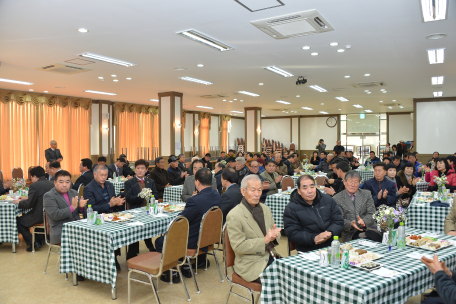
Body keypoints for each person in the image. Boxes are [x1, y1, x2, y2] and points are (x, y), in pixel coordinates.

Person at [156, 168, 221, 282]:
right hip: (208, 238)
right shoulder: (217, 195)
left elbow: (181, 221)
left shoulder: (195, 200)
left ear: (197, 182)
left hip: (193, 240)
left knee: (161, 241)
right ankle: (184, 265)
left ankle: (171, 273)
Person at [226, 175, 281, 283]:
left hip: (270, 256)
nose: (257, 194)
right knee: (282, 282)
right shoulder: (234, 215)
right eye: (253, 190)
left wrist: (274, 236)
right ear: (243, 191)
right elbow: (239, 246)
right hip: (250, 264)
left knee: (295, 275)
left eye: (259, 190)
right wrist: (265, 240)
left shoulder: (265, 209)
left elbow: (273, 234)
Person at [283, 175, 344, 252]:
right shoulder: (291, 208)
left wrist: (329, 232)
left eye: (312, 187)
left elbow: (339, 221)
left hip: (331, 246)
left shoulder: (328, 200)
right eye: (305, 188)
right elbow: (292, 233)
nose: (310, 191)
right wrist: (314, 238)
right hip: (307, 249)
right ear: (298, 191)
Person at [83, 165, 125, 270]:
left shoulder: (110, 185)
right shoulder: (89, 188)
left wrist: (117, 202)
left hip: (111, 216)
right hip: (98, 219)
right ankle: (106, 260)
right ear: (94, 174)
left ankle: (114, 257)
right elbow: (91, 208)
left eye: (105, 175)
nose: (104, 177)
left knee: (118, 232)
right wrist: (110, 205)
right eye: (101, 175)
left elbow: (113, 200)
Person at [13, 166, 54, 251]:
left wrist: (19, 202)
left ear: (35, 176)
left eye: (31, 177)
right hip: (49, 215)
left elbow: (29, 204)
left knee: (18, 221)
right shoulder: (51, 183)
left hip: (39, 216)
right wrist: (27, 198)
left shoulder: (34, 186)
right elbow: (40, 198)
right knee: (26, 217)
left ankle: (32, 243)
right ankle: (41, 240)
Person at [124, 159, 158, 259]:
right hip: (135, 211)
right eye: (138, 168)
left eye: (142, 168)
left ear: (146, 170)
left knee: (149, 227)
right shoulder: (129, 182)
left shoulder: (150, 181)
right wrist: (141, 197)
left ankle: (151, 246)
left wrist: (150, 195)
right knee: (136, 231)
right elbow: (128, 198)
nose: (140, 170)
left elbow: (156, 194)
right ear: (134, 169)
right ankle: (132, 253)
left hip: (149, 211)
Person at [43, 170, 87, 245]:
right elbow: (55, 215)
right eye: (61, 182)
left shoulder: (73, 192)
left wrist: (81, 207)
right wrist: (72, 207)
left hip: (77, 228)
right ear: (55, 182)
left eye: (67, 182)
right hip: (60, 231)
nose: (64, 185)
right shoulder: (49, 196)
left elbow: (79, 211)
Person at [332, 171, 376, 242]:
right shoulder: (337, 198)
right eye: (350, 181)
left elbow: (372, 213)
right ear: (344, 182)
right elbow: (339, 219)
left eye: (356, 182)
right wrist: (350, 224)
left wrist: (364, 221)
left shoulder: (366, 194)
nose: (353, 184)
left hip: (368, 230)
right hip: (350, 233)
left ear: (359, 183)